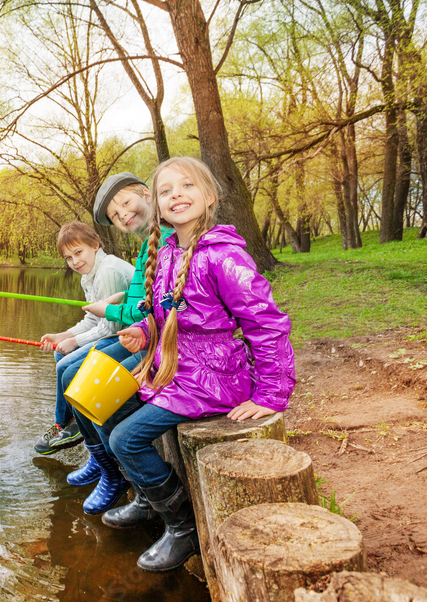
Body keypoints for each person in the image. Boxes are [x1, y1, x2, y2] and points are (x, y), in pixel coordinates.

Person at [99, 156, 295, 573]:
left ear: (209, 196)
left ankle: (183, 526)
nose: (176, 195)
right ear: (158, 204)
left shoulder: (224, 257)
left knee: (125, 439)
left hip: (212, 377)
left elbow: (267, 324)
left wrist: (271, 396)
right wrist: (144, 332)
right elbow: (173, 316)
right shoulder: (169, 252)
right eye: (166, 191)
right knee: (105, 406)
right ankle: (149, 499)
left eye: (186, 186)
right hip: (175, 366)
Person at [57, 172, 171, 517]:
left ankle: (118, 475)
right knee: (75, 375)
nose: (122, 214)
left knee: (89, 384)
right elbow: (146, 305)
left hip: (157, 340)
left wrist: (113, 308)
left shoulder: (171, 241)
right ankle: (105, 465)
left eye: (125, 202)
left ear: (148, 195)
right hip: (144, 333)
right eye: (114, 214)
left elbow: (167, 306)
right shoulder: (148, 246)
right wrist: (120, 308)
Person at [34, 222, 133, 454]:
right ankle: (71, 421)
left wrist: (75, 342)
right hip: (115, 330)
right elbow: (92, 319)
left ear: (95, 245)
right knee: (61, 351)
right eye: (68, 258)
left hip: (129, 336)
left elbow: (111, 326)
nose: (75, 262)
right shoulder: (89, 273)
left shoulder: (107, 272)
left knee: (65, 367)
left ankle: (66, 424)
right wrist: (63, 336)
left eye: (78, 253)